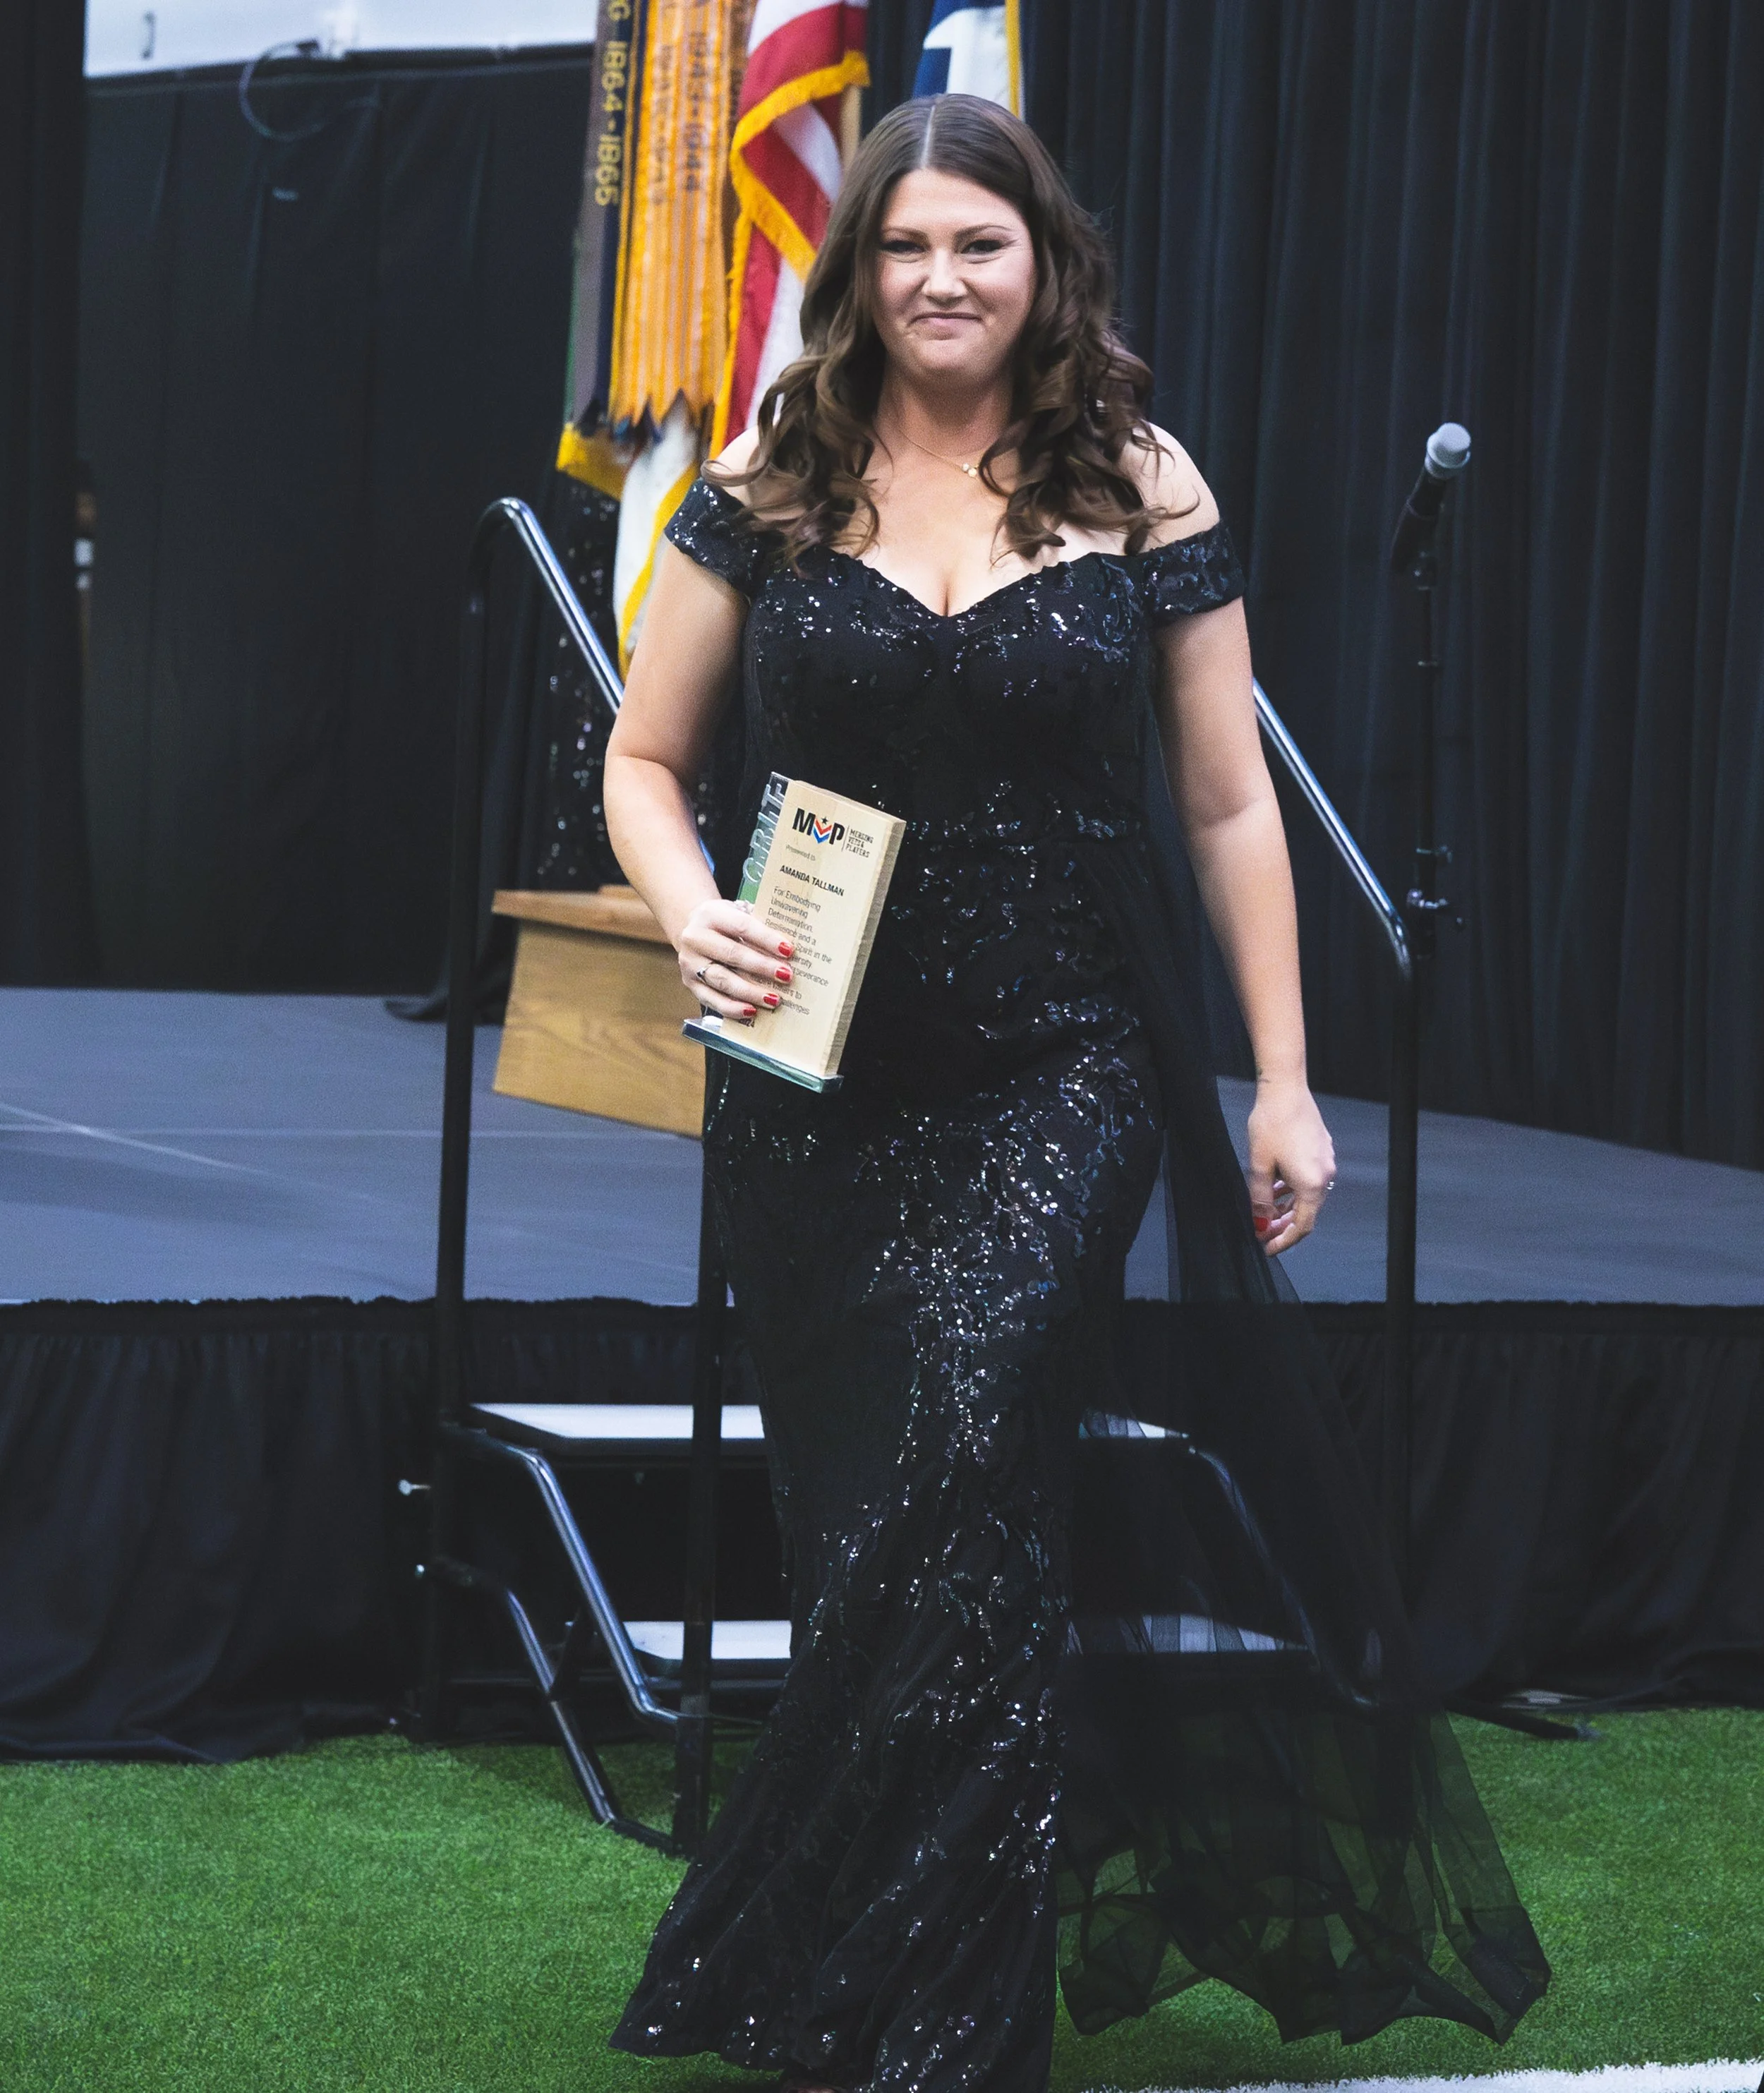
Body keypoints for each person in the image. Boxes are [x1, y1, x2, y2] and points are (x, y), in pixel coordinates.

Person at [603, 93, 1546, 2093]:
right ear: (859, 271)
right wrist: (688, 910)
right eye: (905, 248)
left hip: (1063, 1066)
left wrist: (1282, 1077)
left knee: (962, 1459)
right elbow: (640, 759)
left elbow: (1224, 798)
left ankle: (939, 2022)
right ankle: (843, 1961)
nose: (942, 280)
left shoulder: (1136, 482)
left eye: (982, 246)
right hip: (813, 1081)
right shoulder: (776, 476)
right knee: (890, 1534)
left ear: (1047, 265)